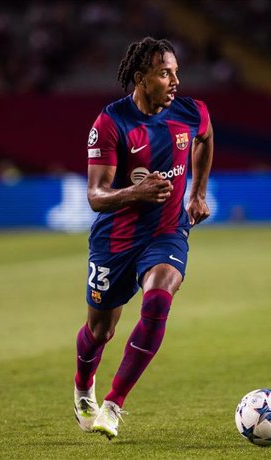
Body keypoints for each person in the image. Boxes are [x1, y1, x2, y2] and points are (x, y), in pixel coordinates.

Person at [73, 37, 214, 439]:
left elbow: (207, 137)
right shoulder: (110, 123)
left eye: (176, 72)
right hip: (115, 240)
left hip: (167, 233)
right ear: (141, 78)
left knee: (158, 298)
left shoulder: (190, 113)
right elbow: (96, 196)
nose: (175, 81)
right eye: (165, 73)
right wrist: (137, 193)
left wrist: (197, 193)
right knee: (100, 331)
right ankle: (84, 386)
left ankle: (114, 405)